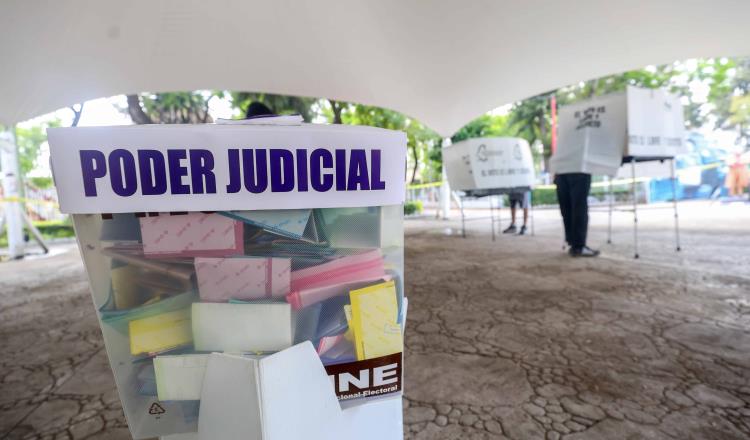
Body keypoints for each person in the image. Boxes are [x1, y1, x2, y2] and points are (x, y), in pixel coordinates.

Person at [554, 173, 599, 257]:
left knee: (566, 207)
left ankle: (572, 242)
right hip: (579, 170)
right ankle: (578, 246)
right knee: (579, 207)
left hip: (561, 171)